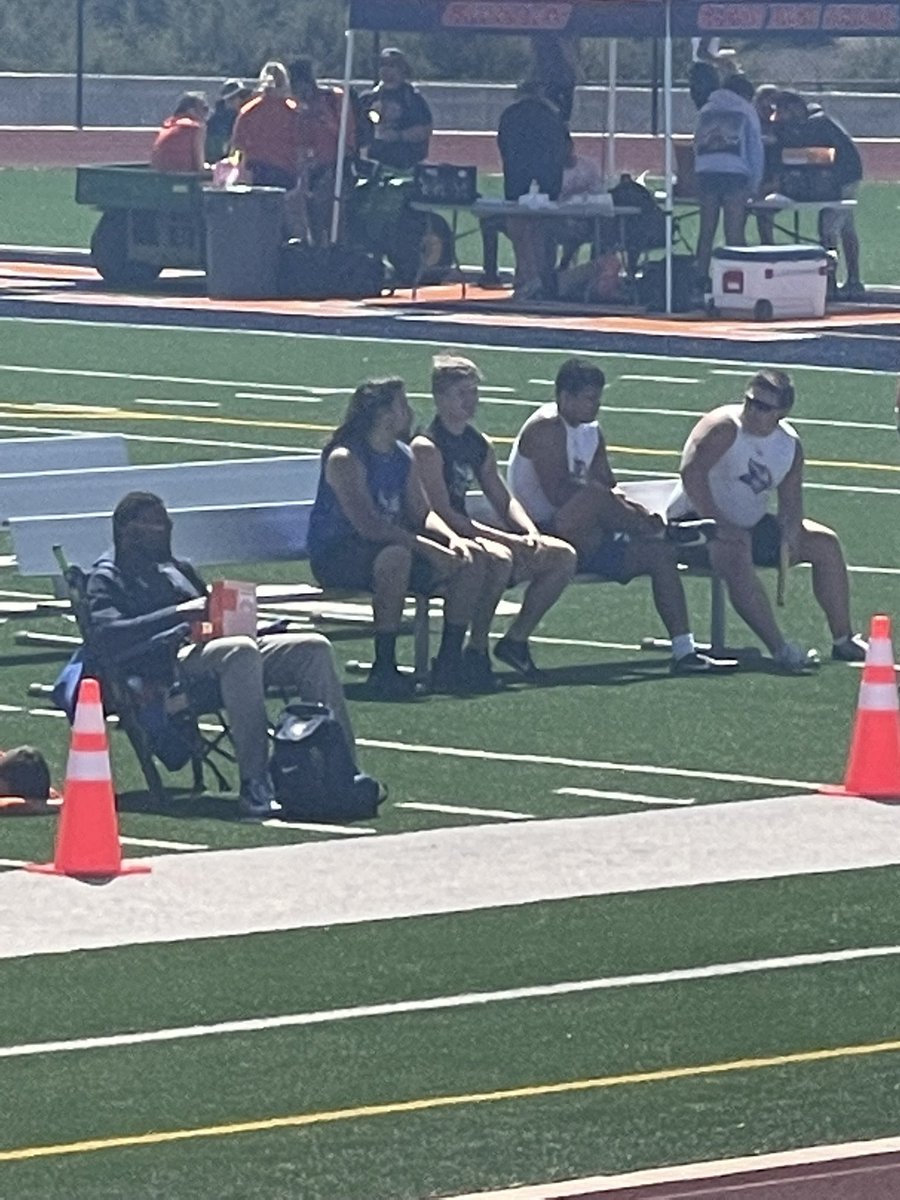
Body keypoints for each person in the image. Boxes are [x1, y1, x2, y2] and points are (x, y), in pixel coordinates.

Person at [85, 492, 356, 819]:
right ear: (128, 529)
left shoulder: (177, 568)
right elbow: (107, 635)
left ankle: (343, 770)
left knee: (312, 647)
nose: (167, 529)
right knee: (240, 653)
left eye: (167, 521)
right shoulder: (109, 577)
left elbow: (210, 613)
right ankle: (255, 781)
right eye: (156, 523)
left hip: (218, 646)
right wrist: (179, 614)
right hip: (168, 663)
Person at [507, 358, 737, 675]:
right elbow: (558, 494)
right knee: (596, 496)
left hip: (589, 534)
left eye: (598, 398)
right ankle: (665, 530)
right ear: (565, 397)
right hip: (544, 533)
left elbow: (611, 487)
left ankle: (684, 651)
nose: (596, 407)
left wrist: (636, 513)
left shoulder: (591, 432)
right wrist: (619, 509)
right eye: (589, 399)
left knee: (660, 556)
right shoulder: (545, 428)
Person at [667, 369, 868, 669]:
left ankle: (843, 639)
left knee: (824, 543)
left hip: (749, 523)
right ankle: (780, 649)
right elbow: (691, 474)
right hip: (694, 523)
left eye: (763, 406)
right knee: (735, 551)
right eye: (750, 401)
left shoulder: (788, 445)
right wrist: (719, 524)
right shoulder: (724, 428)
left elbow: (790, 500)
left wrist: (791, 532)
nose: (752, 410)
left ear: (782, 412)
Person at [307, 377, 490, 697]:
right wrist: (428, 549)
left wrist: (451, 540)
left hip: (391, 547)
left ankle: (448, 662)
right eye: (401, 404)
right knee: (396, 557)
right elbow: (369, 526)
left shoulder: (403, 455)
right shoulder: (346, 458)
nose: (409, 412)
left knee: (470, 558)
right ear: (382, 414)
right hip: (340, 555)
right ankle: (384, 665)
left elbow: (423, 513)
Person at [411, 355, 578, 684]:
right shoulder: (427, 446)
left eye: (474, 392)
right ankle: (468, 652)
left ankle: (513, 641)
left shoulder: (477, 443)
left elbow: (503, 498)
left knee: (563, 556)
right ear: (440, 397)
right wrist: (510, 541)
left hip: (468, 533)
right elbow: (442, 513)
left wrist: (528, 531)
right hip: (437, 537)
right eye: (462, 394)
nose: (471, 401)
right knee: (498, 557)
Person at [773, 90, 865, 299]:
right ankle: (851, 279)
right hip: (835, 178)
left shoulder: (818, 123)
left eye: (783, 110)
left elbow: (821, 155)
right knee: (845, 227)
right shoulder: (812, 122)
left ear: (795, 108)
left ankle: (834, 281)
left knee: (830, 226)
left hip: (844, 177)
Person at [497, 79, 569, 299]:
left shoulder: (510, 115)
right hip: (547, 180)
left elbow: (503, 145)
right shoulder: (552, 116)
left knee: (520, 225)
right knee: (543, 228)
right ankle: (542, 276)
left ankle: (527, 274)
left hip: (517, 179)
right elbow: (564, 149)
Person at [693, 72, 764, 287]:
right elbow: (755, 148)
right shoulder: (746, 110)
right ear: (744, 94)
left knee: (706, 231)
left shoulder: (706, 109)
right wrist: (755, 183)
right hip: (735, 175)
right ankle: (737, 281)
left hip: (706, 173)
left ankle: (701, 278)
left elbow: (697, 143)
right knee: (734, 232)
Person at [290, 56, 357, 246]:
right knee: (314, 221)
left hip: (337, 168)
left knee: (336, 219)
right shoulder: (300, 110)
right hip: (315, 171)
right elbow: (302, 145)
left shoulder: (333, 99)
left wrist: (321, 118)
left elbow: (346, 135)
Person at [231, 61, 302, 190]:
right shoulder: (293, 111)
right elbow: (301, 144)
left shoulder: (249, 110)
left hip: (256, 170)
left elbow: (238, 145)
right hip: (285, 170)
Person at [357, 48, 432, 170]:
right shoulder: (368, 98)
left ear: (402, 69)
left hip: (406, 161)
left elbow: (425, 129)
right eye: (382, 65)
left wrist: (399, 136)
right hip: (375, 161)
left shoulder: (412, 98)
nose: (385, 70)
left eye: (392, 65)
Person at [150, 92, 209, 173]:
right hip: (182, 178)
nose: (207, 113)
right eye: (205, 109)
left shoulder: (168, 125)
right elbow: (199, 166)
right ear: (191, 111)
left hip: (159, 177)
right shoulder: (195, 128)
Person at [205, 78, 252, 164]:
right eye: (239, 97)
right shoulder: (216, 121)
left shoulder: (247, 116)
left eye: (243, 96)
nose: (242, 100)